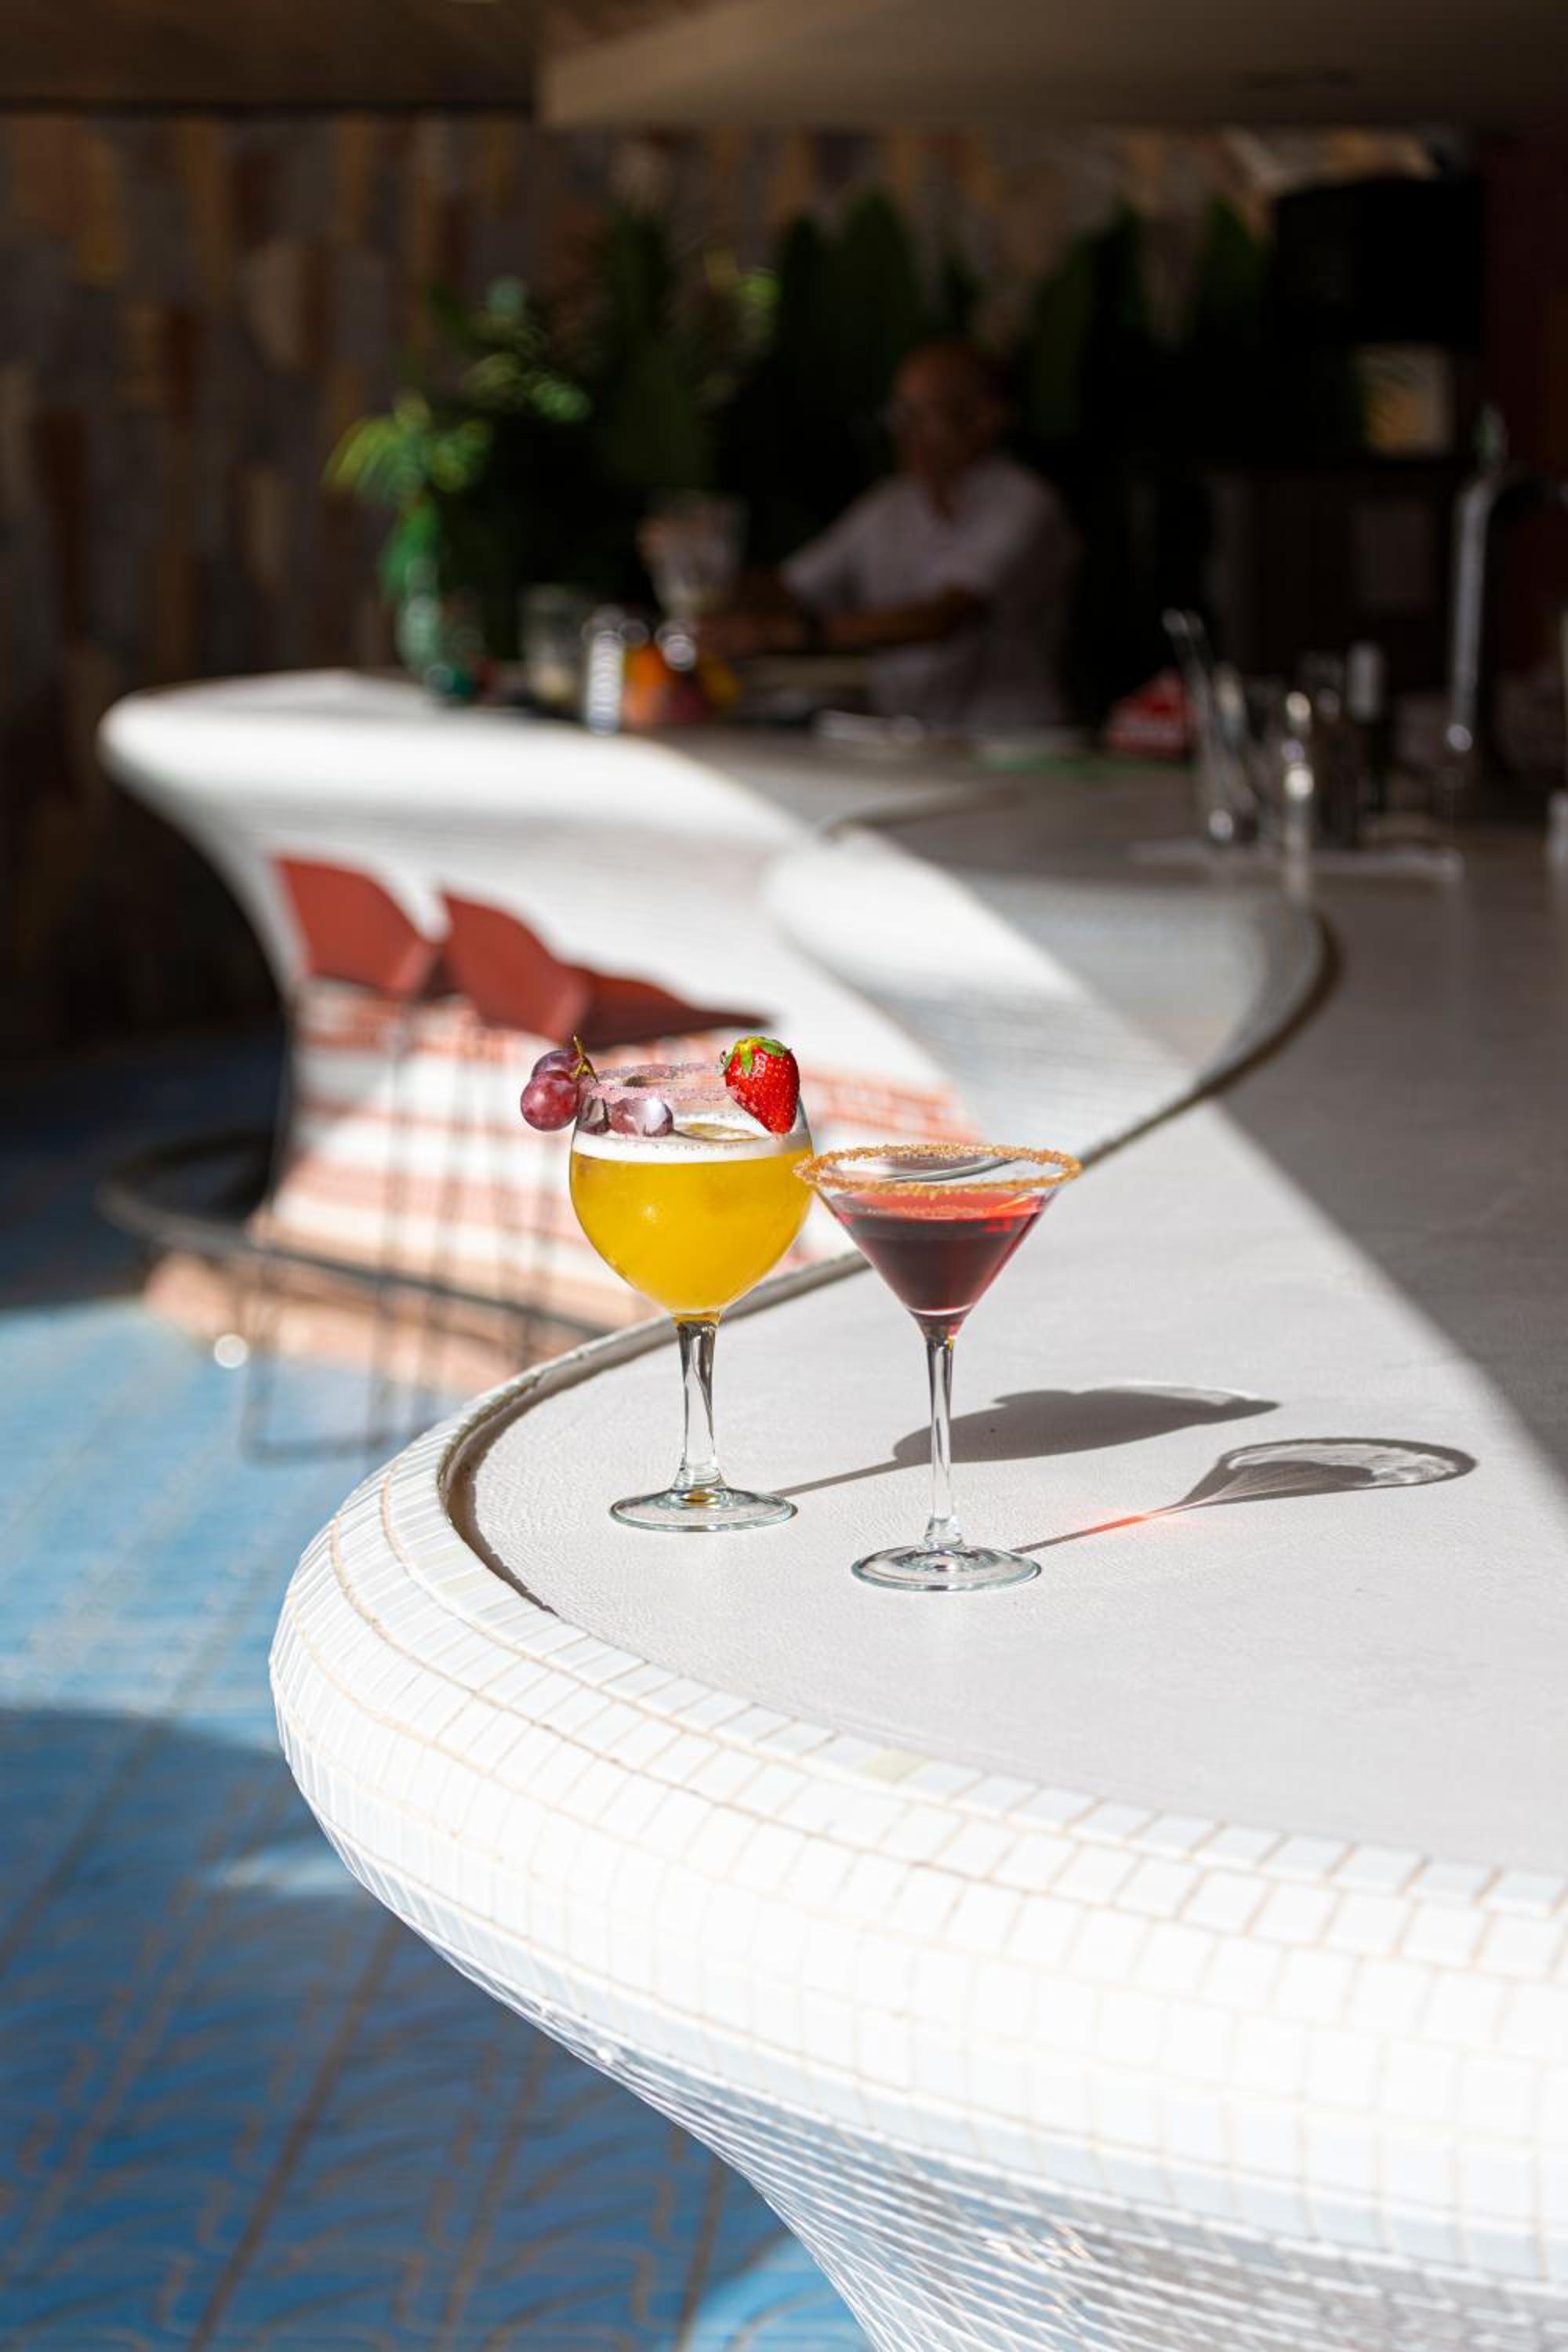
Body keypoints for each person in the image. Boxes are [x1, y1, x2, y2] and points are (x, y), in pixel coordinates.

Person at [702, 339, 1076, 731]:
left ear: (986, 418)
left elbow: (943, 618)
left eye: (922, 413)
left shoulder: (1023, 502)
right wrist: (702, 576)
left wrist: (791, 634)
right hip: (908, 736)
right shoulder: (889, 505)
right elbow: (791, 586)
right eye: (900, 412)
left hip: (1012, 741)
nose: (903, 429)